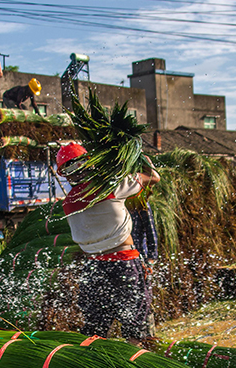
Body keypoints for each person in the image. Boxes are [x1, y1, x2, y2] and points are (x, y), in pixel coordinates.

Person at [58, 143, 161, 346]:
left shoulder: (68, 202)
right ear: (89, 164)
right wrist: (136, 155)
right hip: (123, 264)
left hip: (93, 268)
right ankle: (135, 366)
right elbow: (154, 177)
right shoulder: (111, 188)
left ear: (67, 175)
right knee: (134, 326)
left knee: (95, 328)